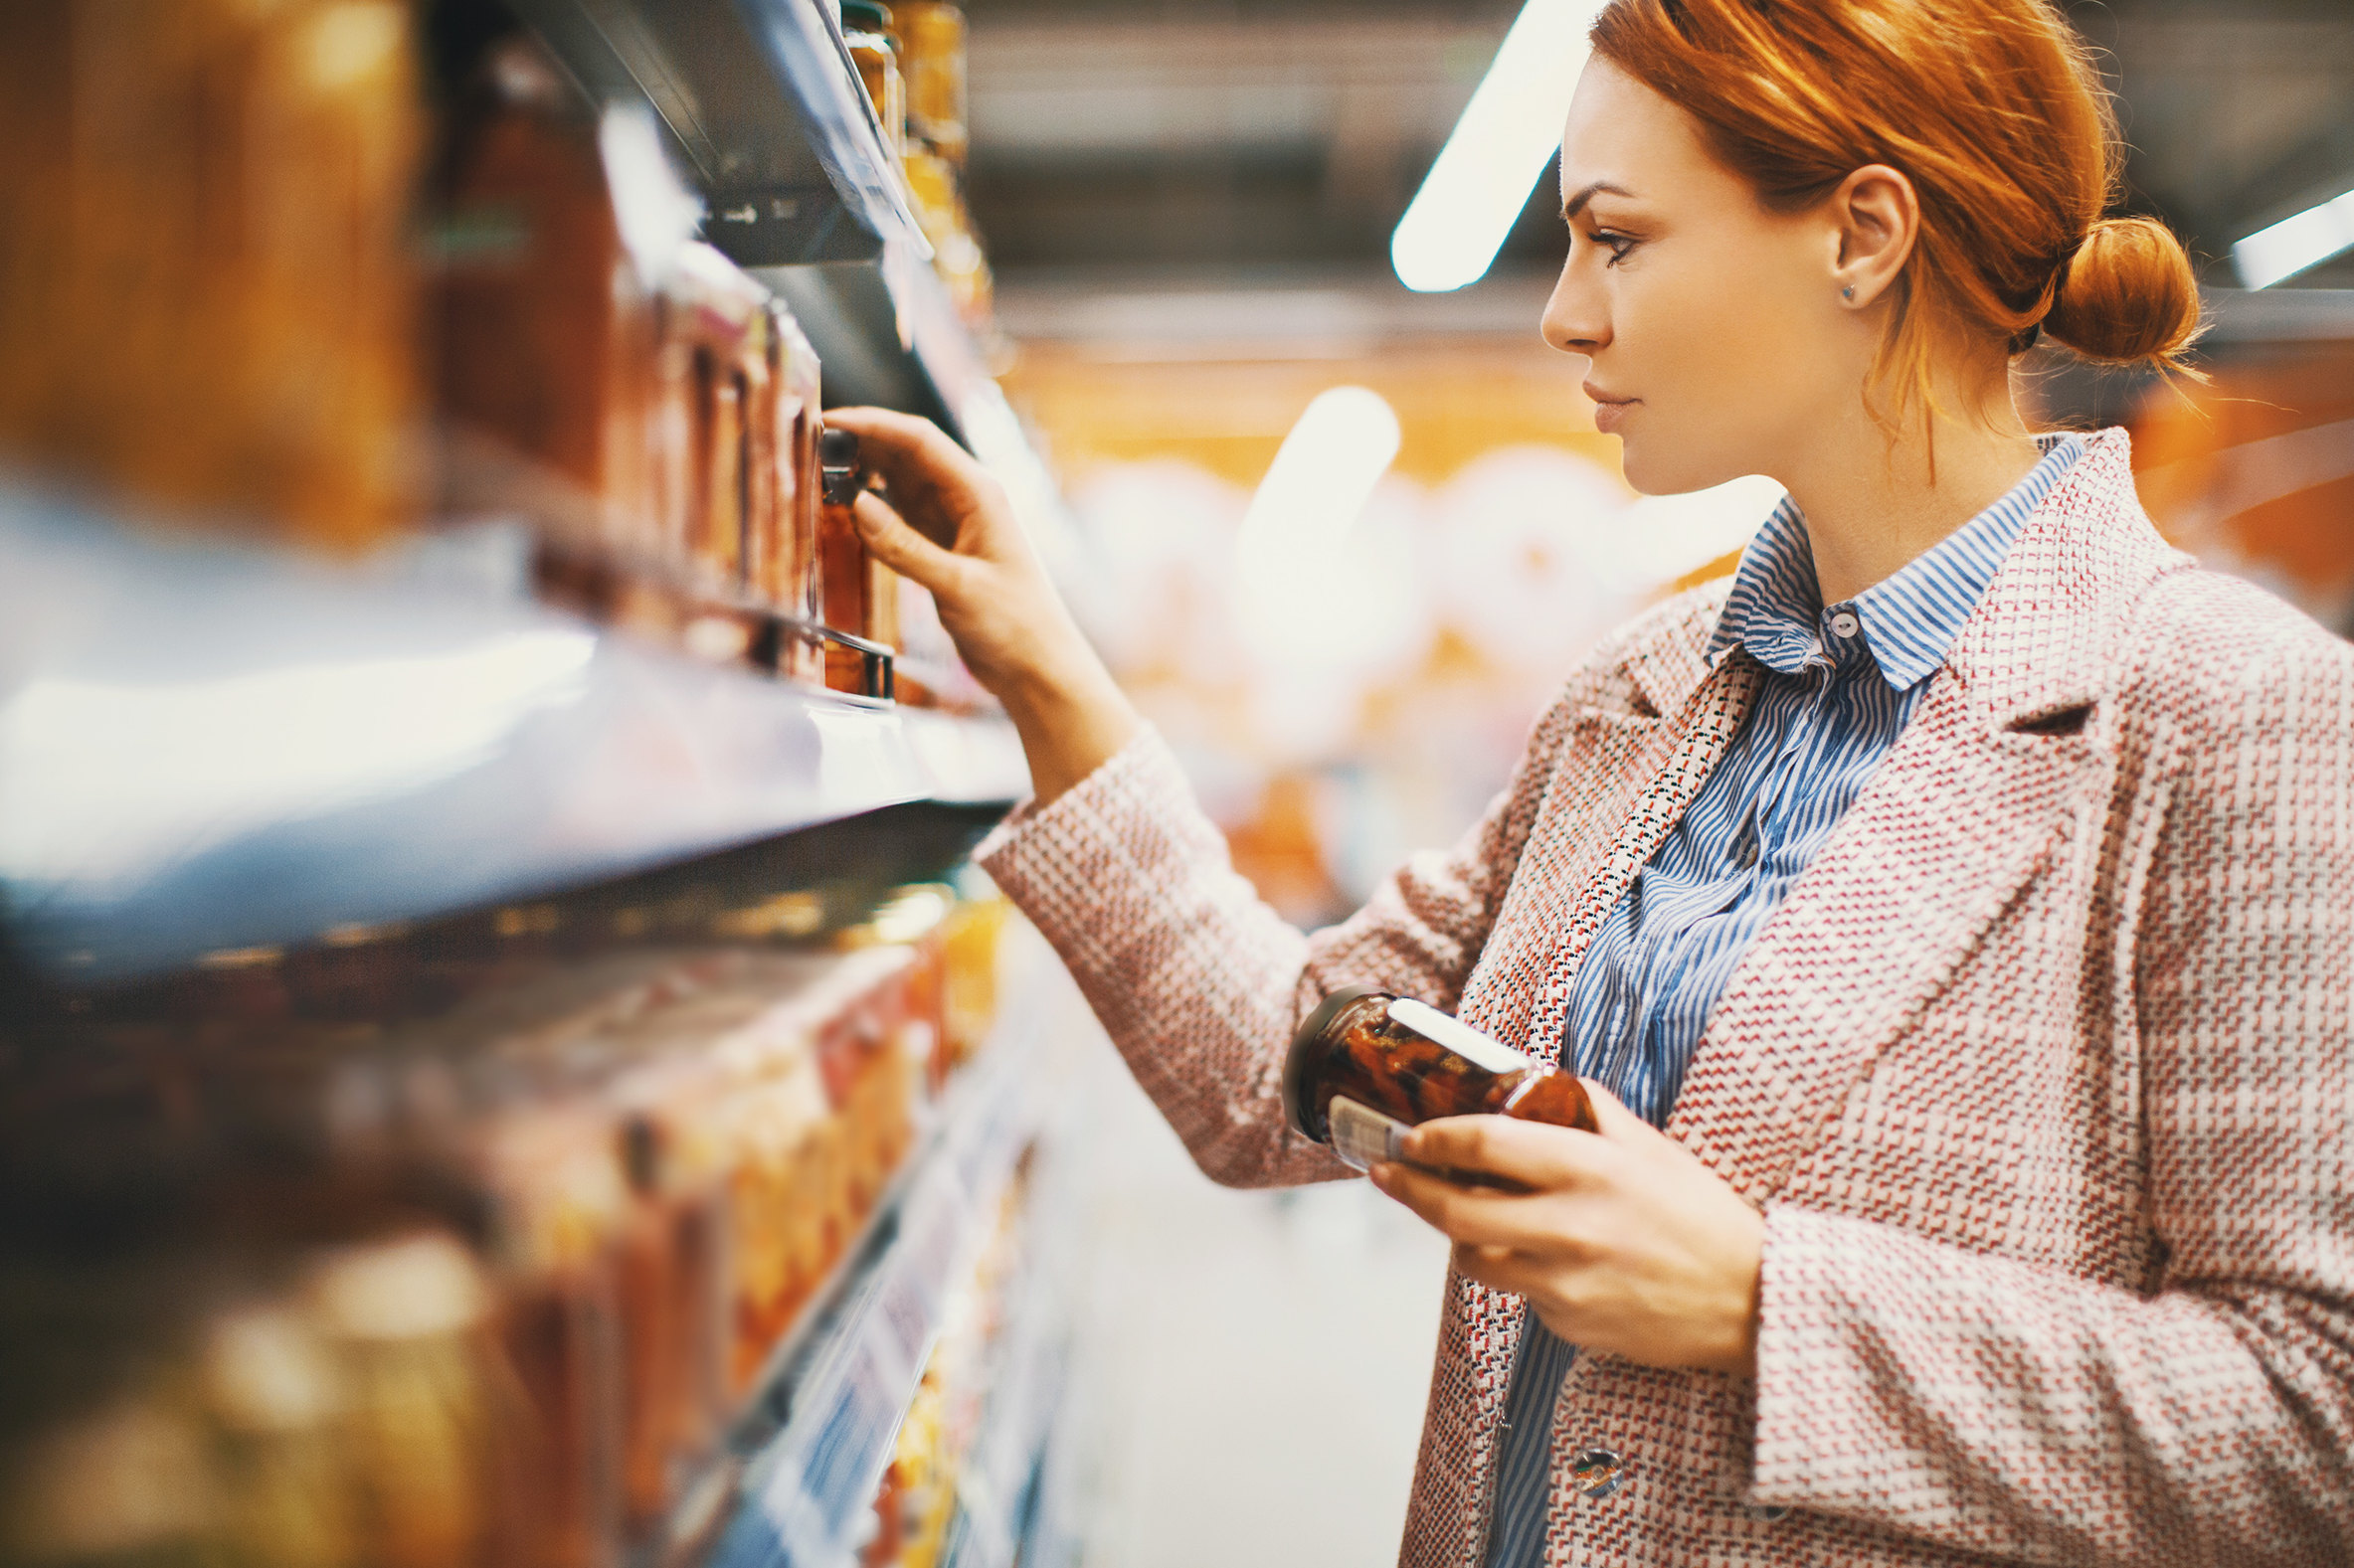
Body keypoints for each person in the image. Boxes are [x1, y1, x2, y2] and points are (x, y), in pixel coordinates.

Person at [826, 0, 2354, 1560]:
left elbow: (2320, 1423)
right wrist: (1041, 668)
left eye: (1613, 239)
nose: (1563, 314)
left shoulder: (2229, 715)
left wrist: (1769, 1305)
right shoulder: (1640, 694)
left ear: (1863, 236)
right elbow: (1274, 1078)